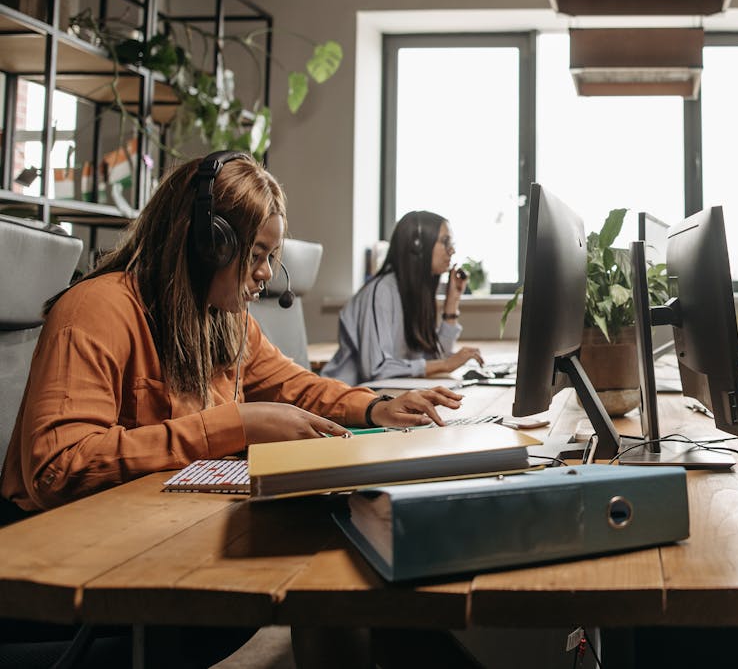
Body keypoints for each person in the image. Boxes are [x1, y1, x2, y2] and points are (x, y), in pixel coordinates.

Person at [2, 151, 465, 516]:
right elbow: (56, 470)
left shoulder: (225, 319)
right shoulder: (97, 309)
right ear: (207, 245)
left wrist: (376, 407)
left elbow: (296, 386)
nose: (265, 274)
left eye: (271, 257)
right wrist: (235, 424)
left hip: (152, 521)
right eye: (256, 254)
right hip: (60, 550)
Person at [323, 210, 485, 385]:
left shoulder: (415, 292)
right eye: (445, 242)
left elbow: (437, 357)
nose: (452, 250)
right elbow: (377, 369)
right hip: (342, 400)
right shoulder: (381, 291)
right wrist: (445, 364)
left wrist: (452, 301)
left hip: (383, 394)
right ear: (418, 246)